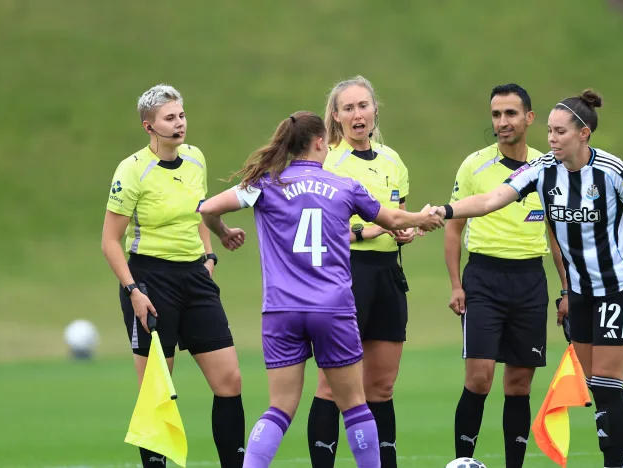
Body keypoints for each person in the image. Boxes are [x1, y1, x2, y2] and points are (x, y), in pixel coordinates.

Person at [435, 89, 623, 468]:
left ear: (583, 134)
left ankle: (622, 465)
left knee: (607, 386)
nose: (552, 140)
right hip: (581, 292)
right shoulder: (543, 169)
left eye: (560, 132)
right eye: (549, 132)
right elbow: (491, 199)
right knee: (597, 385)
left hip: (619, 287)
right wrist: (444, 210)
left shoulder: (614, 172)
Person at [199, 111, 443, 468]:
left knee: (279, 408)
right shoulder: (343, 186)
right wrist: (422, 218)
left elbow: (207, 208)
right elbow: (390, 219)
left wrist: (222, 233)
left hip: (281, 310)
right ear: (318, 143)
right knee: (356, 407)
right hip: (333, 308)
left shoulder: (265, 184)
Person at [101, 84, 247, 468]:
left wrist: (213, 248)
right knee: (157, 392)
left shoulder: (195, 159)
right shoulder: (132, 170)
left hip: (195, 280)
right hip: (150, 280)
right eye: (170, 118)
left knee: (230, 381)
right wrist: (133, 289)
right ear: (149, 127)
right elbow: (110, 242)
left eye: (181, 115)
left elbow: (197, 212)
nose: (179, 124)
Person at [445, 83, 555, 468]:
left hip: (530, 280)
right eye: (496, 115)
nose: (502, 122)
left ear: (529, 118)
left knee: (519, 384)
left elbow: (557, 236)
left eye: (510, 114)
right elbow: (454, 228)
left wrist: (568, 289)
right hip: (484, 278)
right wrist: (456, 284)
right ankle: (463, 463)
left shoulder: (547, 167)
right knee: (479, 378)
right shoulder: (474, 165)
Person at [307, 76, 414, 468]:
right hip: (344, 276)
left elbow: (397, 214)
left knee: (382, 388)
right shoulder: (327, 163)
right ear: (335, 117)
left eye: (363, 106)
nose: (357, 115)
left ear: (374, 110)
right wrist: (369, 229)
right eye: (348, 108)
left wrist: (404, 231)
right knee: (332, 387)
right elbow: (317, 227)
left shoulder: (393, 160)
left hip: (387, 275)